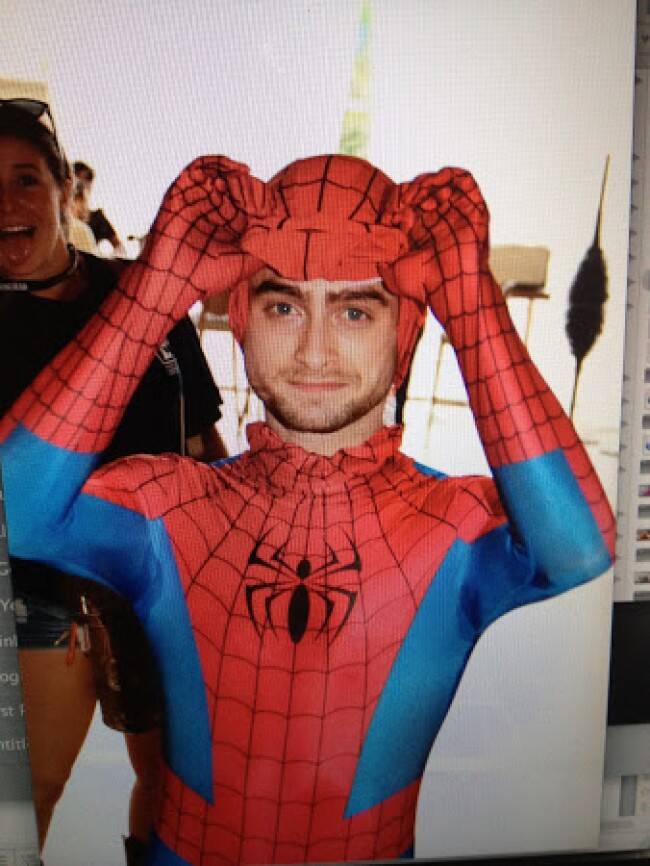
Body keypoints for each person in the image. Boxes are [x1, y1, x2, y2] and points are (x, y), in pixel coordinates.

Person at [0, 153, 615, 866]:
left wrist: (471, 301)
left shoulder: (454, 527)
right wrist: (155, 287)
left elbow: (578, 548)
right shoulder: (170, 508)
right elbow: (21, 509)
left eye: (355, 311)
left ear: (404, 336)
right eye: (283, 306)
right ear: (242, 320)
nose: (314, 351)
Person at [0, 101, 226, 864]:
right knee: (29, 797)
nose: (6, 204)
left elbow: (201, 440)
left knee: (175, 788)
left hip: (159, 584)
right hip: (36, 596)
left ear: (65, 188)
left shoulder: (143, 296)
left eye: (25, 179)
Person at [73, 159, 125, 255]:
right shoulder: (56, 217)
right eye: (79, 181)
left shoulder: (97, 218)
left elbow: (119, 248)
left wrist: (103, 260)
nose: (83, 186)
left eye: (88, 180)